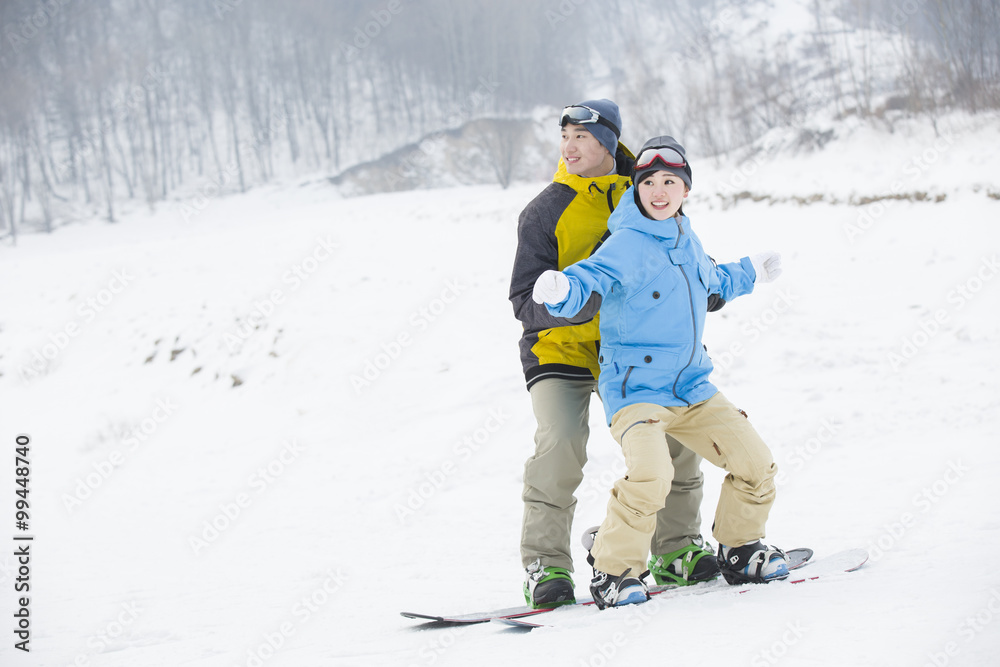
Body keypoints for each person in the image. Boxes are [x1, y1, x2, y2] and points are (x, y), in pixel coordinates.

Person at [530, 136, 789, 609]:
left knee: (757, 465)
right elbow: (592, 278)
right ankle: (613, 570)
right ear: (638, 188)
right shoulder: (626, 241)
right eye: (649, 181)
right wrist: (561, 289)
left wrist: (751, 271)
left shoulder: (686, 237)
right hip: (637, 391)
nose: (660, 190)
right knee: (652, 475)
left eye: (671, 181)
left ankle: (740, 545)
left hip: (691, 386)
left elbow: (714, 281)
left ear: (685, 190)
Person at [509, 102, 720, 610]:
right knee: (560, 444)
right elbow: (523, 301)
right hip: (560, 350)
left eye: (581, 136)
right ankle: (547, 564)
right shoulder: (545, 210)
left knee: (675, 438)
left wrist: (703, 292)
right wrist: (582, 303)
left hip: (637, 352)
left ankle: (676, 550)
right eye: (564, 136)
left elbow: (682, 258)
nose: (569, 146)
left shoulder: (648, 189)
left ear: (608, 141)